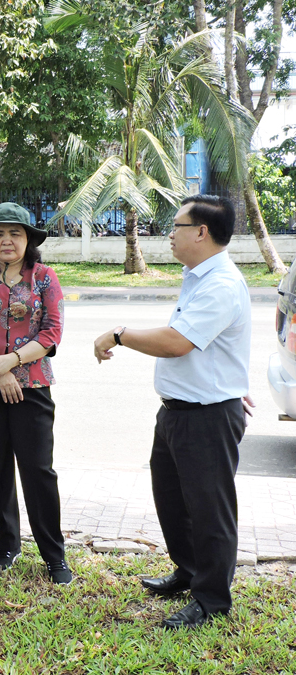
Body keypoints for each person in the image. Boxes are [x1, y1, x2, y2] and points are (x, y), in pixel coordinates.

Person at [94, 195, 253, 629]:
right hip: (180, 411)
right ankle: (188, 570)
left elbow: (177, 341)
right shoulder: (198, 276)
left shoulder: (220, 283)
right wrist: (233, 383)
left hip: (205, 416)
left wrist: (119, 334)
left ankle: (211, 600)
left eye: (176, 225)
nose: (169, 232)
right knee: (172, 499)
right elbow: (220, 345)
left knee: (208, 510)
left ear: (201, 232)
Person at [0, 203, 71, 585]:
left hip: (32, 386)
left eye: (15, 233)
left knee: (38, 470)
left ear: (28, 240)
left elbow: (51, 333)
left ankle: (54, 555)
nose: (7, 240)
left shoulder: (44, 279)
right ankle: (8, 545)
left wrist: (12, 363)